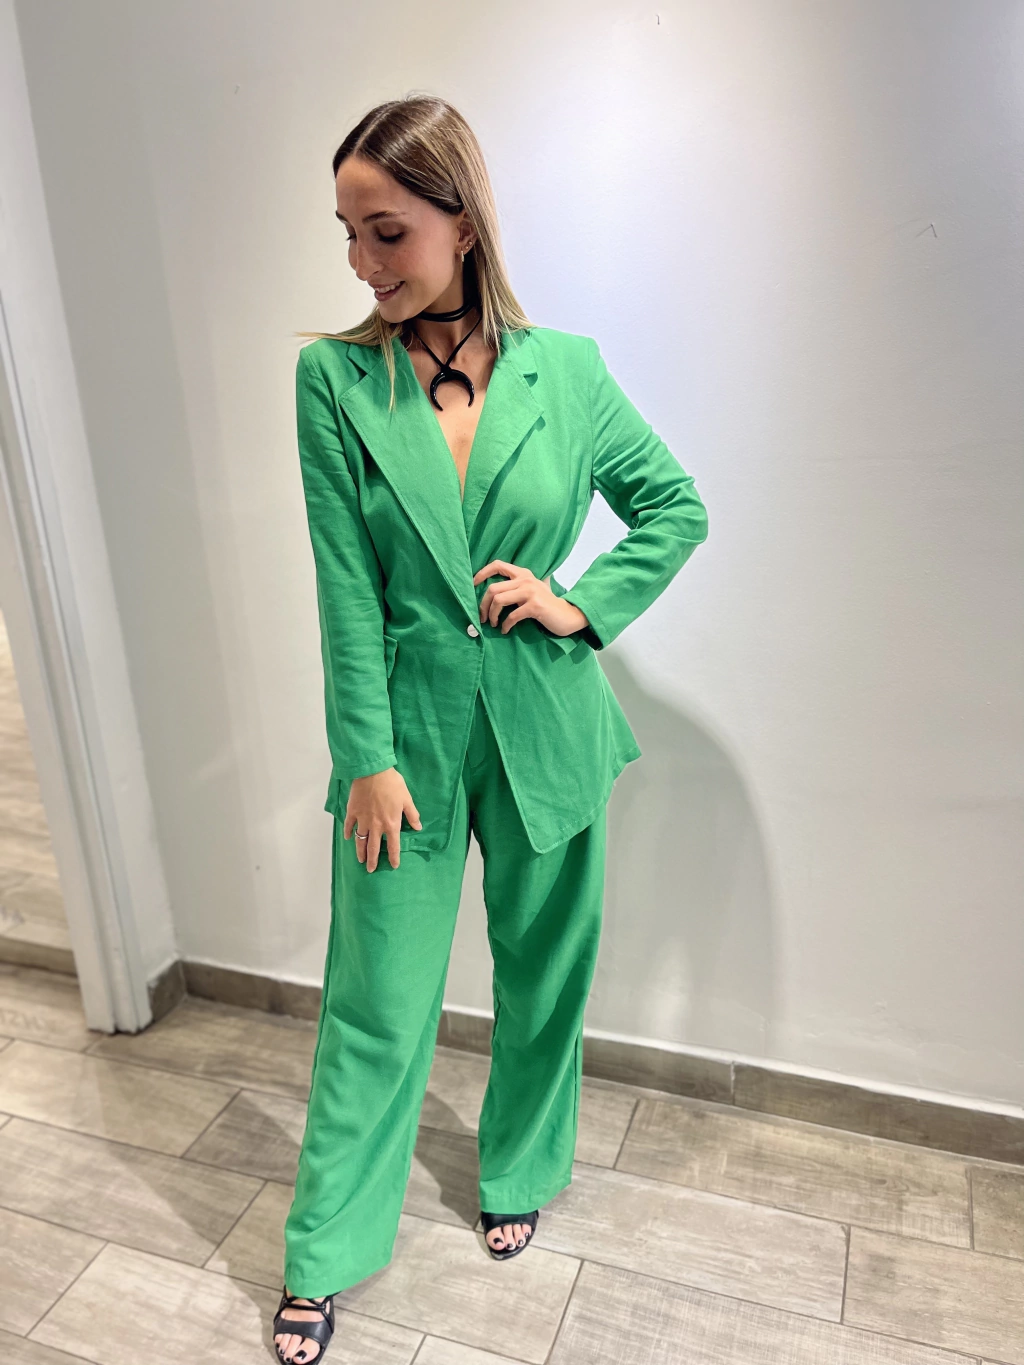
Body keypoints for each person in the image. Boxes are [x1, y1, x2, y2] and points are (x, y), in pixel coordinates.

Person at [273, 95, 709, 1364]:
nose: (362, 263)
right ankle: (325, 1249)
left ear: (462, 223)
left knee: (544, 975)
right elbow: (344, 589)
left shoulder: (565, 370)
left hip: (547, 729)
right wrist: (364, 755)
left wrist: (581, 604)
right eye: (348, 233)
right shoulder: (333, 381)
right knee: (376, 1000)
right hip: (402, 744)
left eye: (387, 232)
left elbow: (673, 507)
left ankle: (518, 1168)